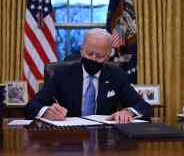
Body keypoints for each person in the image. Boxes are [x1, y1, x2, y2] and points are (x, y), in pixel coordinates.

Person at [24, 28, 152, 123]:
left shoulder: (117, 75)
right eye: (89, 53)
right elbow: (31, 106)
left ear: (108, 56)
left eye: (100, 56)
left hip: (106, 138)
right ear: (81, 50)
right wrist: (46, 112)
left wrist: (128, 112)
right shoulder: (62, 74)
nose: (93, 59)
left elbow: (144, 107)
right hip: (69, 138)